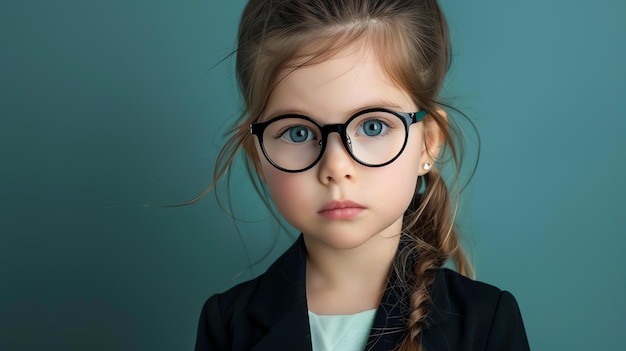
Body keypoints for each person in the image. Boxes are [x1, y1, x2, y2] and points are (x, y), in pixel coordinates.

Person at [195, 0, 530, 350]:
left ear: (428, 143)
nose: (336, 168)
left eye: (373, 126)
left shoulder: (486, 319)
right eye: (298, 132)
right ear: (259, 155)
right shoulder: (228, 324)